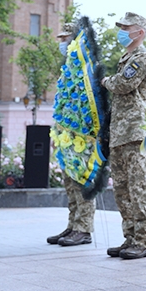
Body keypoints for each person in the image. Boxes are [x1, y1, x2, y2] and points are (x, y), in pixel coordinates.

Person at [102, 12, 146, 260]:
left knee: (139, 188)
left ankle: (144, 240)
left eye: (126, 27)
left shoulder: (142, 57)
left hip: (136, 131)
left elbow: (124, 84)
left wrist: (105, 81)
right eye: (121, 27)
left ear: (140, 32)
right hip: (120, 132)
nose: (122, 31)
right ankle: (130, 237)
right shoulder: (125, 58)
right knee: (122, 190)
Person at [47, 23, 96, 247]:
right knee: (70, 183)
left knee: (82, 181)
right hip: (67, 135)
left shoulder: (88, 66)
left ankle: (83, 229)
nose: (61, 44)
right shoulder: (68, 67)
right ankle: (73, 224)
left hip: (82, 135)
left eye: (65, 38)